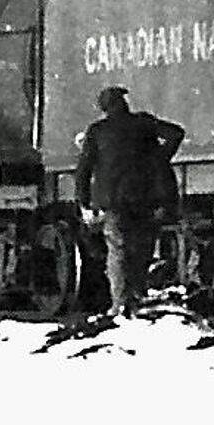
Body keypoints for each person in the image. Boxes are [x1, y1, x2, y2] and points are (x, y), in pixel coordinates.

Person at [75, 85, 185, 318]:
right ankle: (137, 294)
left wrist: (84, 201)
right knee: (142, 248)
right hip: (144, 196)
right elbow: (176, 133)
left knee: (118, 249)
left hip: (113, 200)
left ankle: (120, 303)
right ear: (123, 103)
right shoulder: (143, 124)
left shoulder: (97, 131)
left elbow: (83, 169)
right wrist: (159, 159)